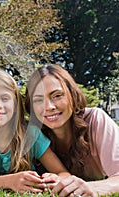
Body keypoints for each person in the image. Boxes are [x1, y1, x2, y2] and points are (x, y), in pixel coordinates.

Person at [0, 68, 70, 194]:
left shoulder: (31, 134)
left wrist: (56, 178)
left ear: (15, 105)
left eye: (5, 98)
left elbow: (62, 172)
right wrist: (10, 182)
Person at [25, 64, 119, 196]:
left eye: (57, 96)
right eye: (38, 100)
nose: (49, 106)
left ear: (72, 95)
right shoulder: (32, 135)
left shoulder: (95, 120)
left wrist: (92, 188)